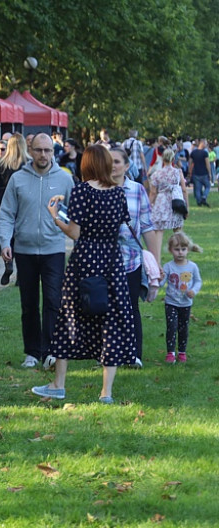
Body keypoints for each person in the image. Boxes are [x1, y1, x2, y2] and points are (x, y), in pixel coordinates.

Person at [32, 145, 137, 404]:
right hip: (111, 262)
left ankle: (58, 384)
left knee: (70, 318)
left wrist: (55, 216)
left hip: (85, 260)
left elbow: (76, 232)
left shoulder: (81, 191)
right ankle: (106, 393)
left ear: (87, 164)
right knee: (110, 321)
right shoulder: (118, 193)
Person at [0, 133, 73, 370]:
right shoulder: (18, 179)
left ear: (54, 152)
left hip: (53, 249)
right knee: (28, 304)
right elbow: (7, 212)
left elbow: (74, 212)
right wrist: (5, 241)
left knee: (53, 300)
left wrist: (69, 232)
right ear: (30, 150)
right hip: (25, 250)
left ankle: (50, 351)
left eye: (48, 151)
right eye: (39, 150)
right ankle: (32, 351)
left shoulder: (64, 179)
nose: (43, 155)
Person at [111, 148, 160, 370]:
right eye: (109, 162)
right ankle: (110, 353)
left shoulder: (137, 190)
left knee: (130, 307)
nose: (113, 166)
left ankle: (133, 354)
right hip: (104, 260)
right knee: (108, 307)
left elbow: (148, 226)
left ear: (127, 165)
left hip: (131, 259)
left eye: (117, 162)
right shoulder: (97, 189)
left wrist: (155, 261)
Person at [0, 135, 29, 285]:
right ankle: (21, 273)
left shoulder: (2, 163)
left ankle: (8, 263)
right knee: (21, 238)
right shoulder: (28, 163)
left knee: (6, 235)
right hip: (24, 205)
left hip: (5, 203)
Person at [161, 232, 202, 364]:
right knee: (171, 327)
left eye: (183, 249)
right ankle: (170, 353)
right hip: (171, 303)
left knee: (183, 328)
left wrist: (194, 291)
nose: (180, 253)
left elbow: (198, 281)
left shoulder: (192, 267)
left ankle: (182, 352)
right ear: (170, 250)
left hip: (186, 303)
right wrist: (158, 278)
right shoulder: (168, 266)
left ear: (188, 249)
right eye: (177, 249)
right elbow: (161, 283)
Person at [147, 148, 186, 249]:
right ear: (173, 159)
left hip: (161, 202)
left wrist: (148, 205)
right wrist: (186, 206)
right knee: (177, 230)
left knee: (159, 231)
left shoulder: (157, 174)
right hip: (176, 201)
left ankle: (157, 258)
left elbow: (153, 192)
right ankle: (179, 251)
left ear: (162, 158)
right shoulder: (178, 172)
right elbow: (184, 189)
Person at [188, 139, 213, 207]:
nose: (206, 145)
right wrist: (209, 173)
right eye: (205, 143)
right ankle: (204, 197)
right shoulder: (205, 153)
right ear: (202, 143)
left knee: (197, 188)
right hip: (204, 173)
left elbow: (190, 163)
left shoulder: (193, 152)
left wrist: (189, 172)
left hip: (196, 173)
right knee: (208, 186)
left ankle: (199, 201)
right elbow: (207, 164)